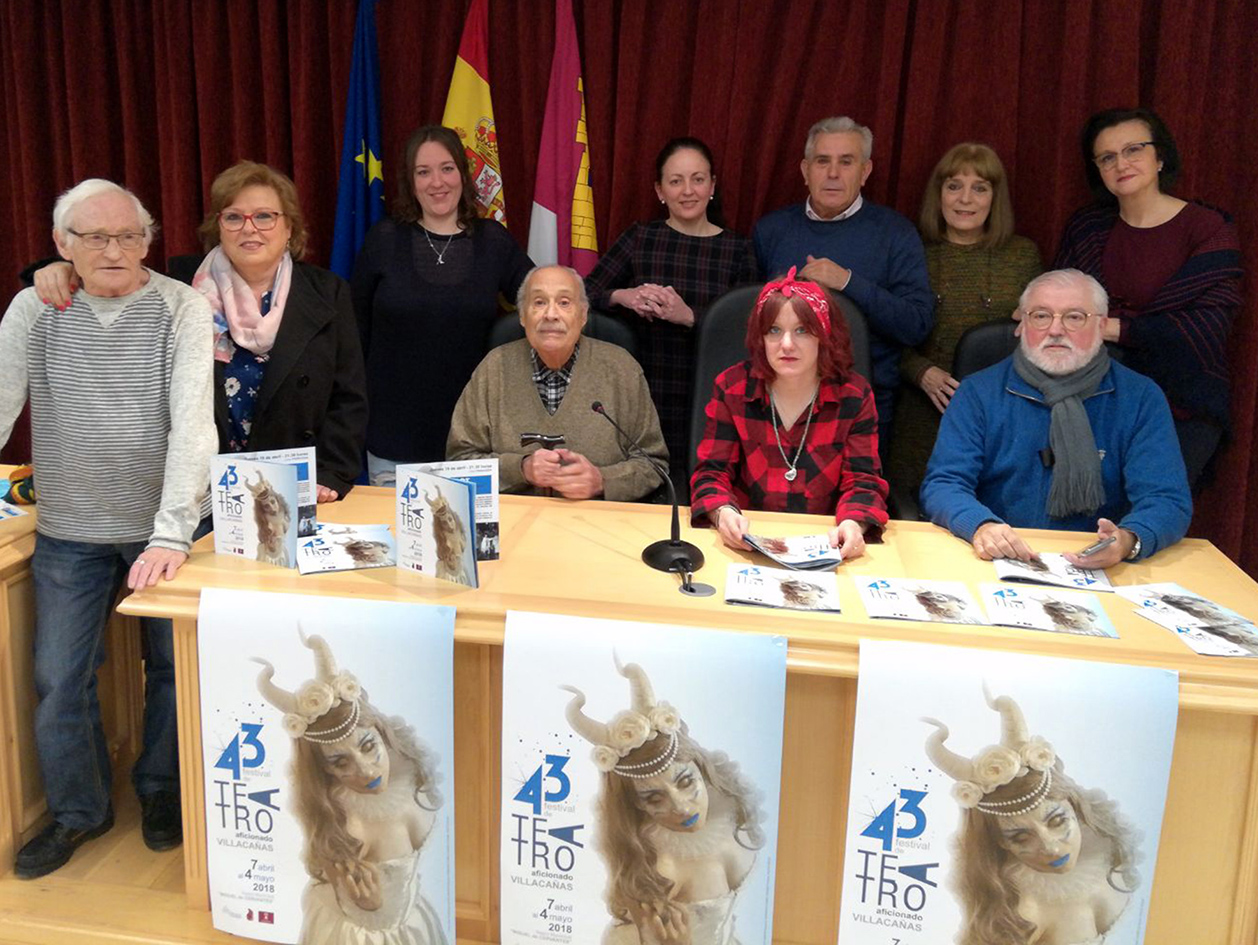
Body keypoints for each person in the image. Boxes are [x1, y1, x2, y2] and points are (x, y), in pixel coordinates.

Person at [0, 180, 216, 875]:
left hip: (166, 532)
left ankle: (162, 790)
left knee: (173, 670)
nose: (114, 249)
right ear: (61, 245)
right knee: (60, 678)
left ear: (149, 241)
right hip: (69, 530)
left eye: (128, 235)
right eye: (95, 236)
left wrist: (171, 531)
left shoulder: (183, 306)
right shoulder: (35, 306)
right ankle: (79, 811)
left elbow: (195, 425)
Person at [33, 162, 369, 500]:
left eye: (265, 216)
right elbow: (111, 276)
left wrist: (332, 472)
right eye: (234, 217)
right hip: (198, 488)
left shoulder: (327, 292)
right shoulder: (179, 285)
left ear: (289, 228)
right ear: (218, 226)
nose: (249, 229)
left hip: (295, 485)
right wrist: (63, 269)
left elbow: (348, 395)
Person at [921, 269, 1192, 568]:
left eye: (1074, 317)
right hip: (994, 557)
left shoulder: (1140, 397)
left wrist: (1128, 540)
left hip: (1101, 565)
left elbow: (1167, 499)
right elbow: (944, 483)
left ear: (1102, 326)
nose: (1055, 330)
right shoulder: (977, 392)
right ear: (1021, 325)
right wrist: (980, 526)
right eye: (1041, 316)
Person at [1053, 107, 1243, 489]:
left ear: (1160, 157)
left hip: (1183, 402)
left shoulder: (1209, 230)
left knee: (1149, 521)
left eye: (1133, 149)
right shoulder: (1088, 228)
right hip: (1095, 398)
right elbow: (1058, 303)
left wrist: (1114, 328)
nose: (1120, 163)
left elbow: (1206, 328)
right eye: (1107, 157)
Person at [353, 124, 533, 484]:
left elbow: (544, 297)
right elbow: (354, 332)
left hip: (471, 439)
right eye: (424, 172)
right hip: (393, 439)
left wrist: (612, 295)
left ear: (463, 176)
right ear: (410, 181)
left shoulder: (492, 242)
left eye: (447, 168)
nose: (437, 182)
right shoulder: (383, 240)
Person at [253, 631, 447, 945]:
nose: (366, 769)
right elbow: (353, 901)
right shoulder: (342, 825)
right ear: (324, 771)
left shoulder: (415, 778)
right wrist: (369, 906)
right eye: (341, 763)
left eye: (369, 746)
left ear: (383, 733)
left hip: (414, 925)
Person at [585, 137, 758, 486]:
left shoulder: (739, 249)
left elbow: (751, 329)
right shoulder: (640, 237)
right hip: (644, 389)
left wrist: (690, 316)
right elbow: (583, 292)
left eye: (697, 179)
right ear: (660, 190)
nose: (687, 190)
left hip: (710, 393)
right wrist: (624, 296)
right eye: (675, 181)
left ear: (712, 186)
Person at [752, 116, 933, 446]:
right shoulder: (771, 231)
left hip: (862, 411)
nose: (833, 173)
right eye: (823, 161)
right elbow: (750, 325)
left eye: (846, 162)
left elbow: (916, 325)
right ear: (805, 170)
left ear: (865, 172)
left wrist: (849, 283)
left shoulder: (896, 234)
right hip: (777, 406)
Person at [562, 656, 764, 945]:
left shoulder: (734, 811)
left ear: (702, 768)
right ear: (636, 806)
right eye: (655, 798)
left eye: (686, 782)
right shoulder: (658, 870)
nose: (682, 807)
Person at [690, 269, 888, 558]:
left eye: (802, 330)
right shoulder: (732, 387)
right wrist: (722, 513)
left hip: (826, 543)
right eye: (773, 330)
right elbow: (711, 472)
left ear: (825, 336)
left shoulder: (854, 395)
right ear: (760, 338)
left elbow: (863, 480)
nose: (786, 345)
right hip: (748, 541)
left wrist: (853, 523)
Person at [923, 691, 1139, 945]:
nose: (1051, 847)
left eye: (1058, 821)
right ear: (1000, 843)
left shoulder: (1114, 853)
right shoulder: (1016, 918)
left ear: (1076, 808)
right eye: (1021, 837)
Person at [887, 143, 1042, 490]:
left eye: (980, 188)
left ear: (994, 198)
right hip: (923, 411)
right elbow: (883, 333)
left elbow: (1040, 338)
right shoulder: (911, 251)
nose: (965, 199)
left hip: (1001, 413)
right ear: (938, 194)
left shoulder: (1022, 255)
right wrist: (920, 372)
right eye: (954, 186)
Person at [446, 265, 667, 501]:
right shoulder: (493, 368)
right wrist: (521, 469)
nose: (551, 314)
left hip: (595, 525)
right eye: (539, 302)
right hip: (514, 525)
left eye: (564, 303)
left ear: (583, 315)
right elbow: (459, 462)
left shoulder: (621, 368)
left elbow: (653, 463)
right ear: (522, 315)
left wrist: (602, 480)